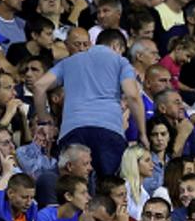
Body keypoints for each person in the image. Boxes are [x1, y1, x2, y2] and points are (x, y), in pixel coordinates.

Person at [33, 30, 146, 180]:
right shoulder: (121, 62)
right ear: (116, 46)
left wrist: (43, 121)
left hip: (72, 130)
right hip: (109, 131)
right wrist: (143, 133)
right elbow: (132, 95)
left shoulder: (68, 62)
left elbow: (39, 86)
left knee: (74, 186)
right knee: (106, 187)